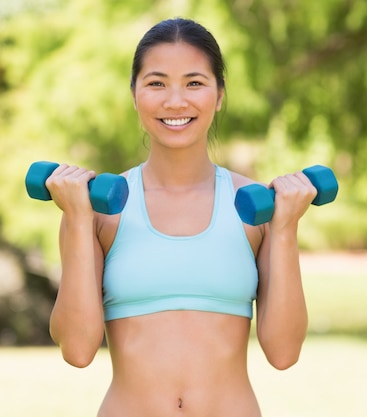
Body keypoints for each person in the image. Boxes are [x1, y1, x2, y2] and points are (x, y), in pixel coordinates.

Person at [44, 17, 316, 417]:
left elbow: (284, 352)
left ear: (219, 94)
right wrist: (78, 220)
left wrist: (286, 229)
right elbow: (78, 350)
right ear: (134, 94)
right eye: (156, 83)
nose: (175, 101)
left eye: (194, 83)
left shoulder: (255, 207)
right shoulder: (98, 211)